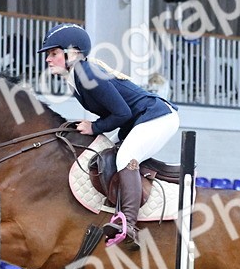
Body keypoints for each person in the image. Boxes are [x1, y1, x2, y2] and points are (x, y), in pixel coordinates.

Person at [38, 23, 180, 250]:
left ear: (72, 53)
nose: (48, 59)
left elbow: (122, 112)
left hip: (158, 117)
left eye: (53, 53)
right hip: (138, 121)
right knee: (102, 155)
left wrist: (95, 127)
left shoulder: (86, 72)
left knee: (125, 158)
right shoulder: (77, 76)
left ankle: (129, 225)